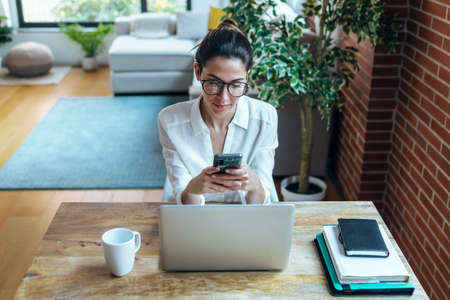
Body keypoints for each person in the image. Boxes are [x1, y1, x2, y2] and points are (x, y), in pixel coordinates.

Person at [158, 19, 278, 205]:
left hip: (247, 217)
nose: (224, 98)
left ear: (248, 77)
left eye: (236, 85)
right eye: (213, 83)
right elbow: (183, 198)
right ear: (198, 72)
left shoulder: (266, 118)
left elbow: (261, 203)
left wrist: (254, 184)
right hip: (194, 219)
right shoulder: (170, 120)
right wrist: (192, 189)